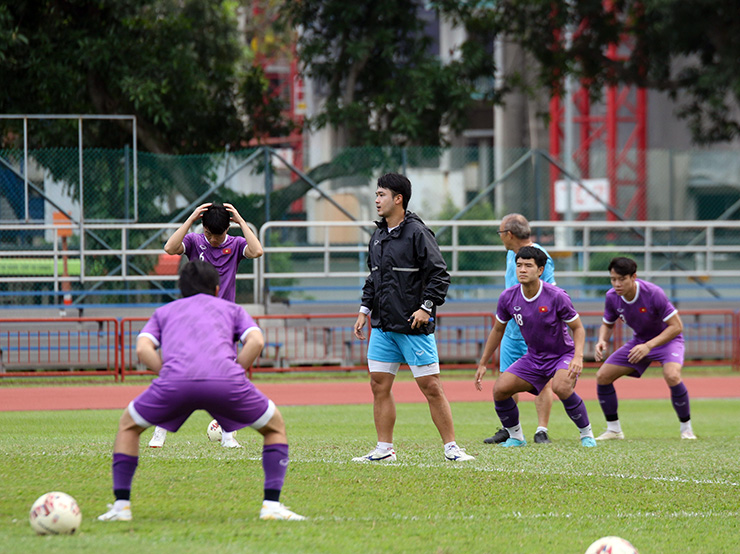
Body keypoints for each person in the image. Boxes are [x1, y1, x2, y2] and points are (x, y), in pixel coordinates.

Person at [98, 261, 305, 522]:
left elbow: (142, 349)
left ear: (181, 289)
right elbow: (256, 341)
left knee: (128, 426)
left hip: (175, 382)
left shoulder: (165, 311)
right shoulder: (232, 309)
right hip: (226, 381)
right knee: (274, 427)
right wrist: (235, 371)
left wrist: (167, 373)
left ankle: (121, 507)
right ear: (217, 289)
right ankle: (272, 506)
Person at [352, 173, 474, 463]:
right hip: (383, 327)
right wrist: (364, 310)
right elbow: (374, 277)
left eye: (381, 194)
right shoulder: (378, 236)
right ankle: (384, 449)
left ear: (398, 199)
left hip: (413, 326)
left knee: (431, 387)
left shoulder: (418, 233)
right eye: (376, 194)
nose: (376, 200)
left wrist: (426, 307)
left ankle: (452, 448)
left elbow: (439, 274)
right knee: (378, 385)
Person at [148, 201, 264, 449]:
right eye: (208, 233)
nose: (212, 239)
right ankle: (159, 433)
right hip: (193, 319)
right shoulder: (194, 241)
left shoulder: (236, 244)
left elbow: (257, 251)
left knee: (227, 382)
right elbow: (169, 247)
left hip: (223, 324)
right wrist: (191, 218)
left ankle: (228, 437)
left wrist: (240, 220)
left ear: (227, 229)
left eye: (217, 235)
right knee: (178, 376)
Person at [474, 246, 596, 447]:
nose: (522, 270)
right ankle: (516, 437)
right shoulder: (508, 297)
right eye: (519, 265)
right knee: (500, 389)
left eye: (528, 266)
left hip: (562, 355)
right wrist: (483, 362)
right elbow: (497, 330)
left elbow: (578, 328)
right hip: (534, 358)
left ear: (540, 270)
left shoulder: (557, 296)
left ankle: (586, 434)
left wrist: (578, 357)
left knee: (561, 387)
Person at [593, 257, 696, 440]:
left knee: (672, 375)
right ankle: (614, 430)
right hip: (640, 342)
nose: (617, 284)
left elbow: (676, 327)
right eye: (613, 279)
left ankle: (686, 429)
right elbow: (608, 324)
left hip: (668, 341)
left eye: (622, 279)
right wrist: (602, 340)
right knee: (603, 376)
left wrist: (649, 346)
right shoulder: (612, 297)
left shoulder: (653, 293)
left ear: (633, 277)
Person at [484, 213, 556, 445]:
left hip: (535, 333)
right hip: (512, 332)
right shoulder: (511, 254)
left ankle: (541, 430)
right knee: (507, 379)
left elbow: (551, 293)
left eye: (500, 233)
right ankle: (510, 429)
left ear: (509, 234)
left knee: (543, 381)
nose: (500, 237)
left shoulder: (541, 257)